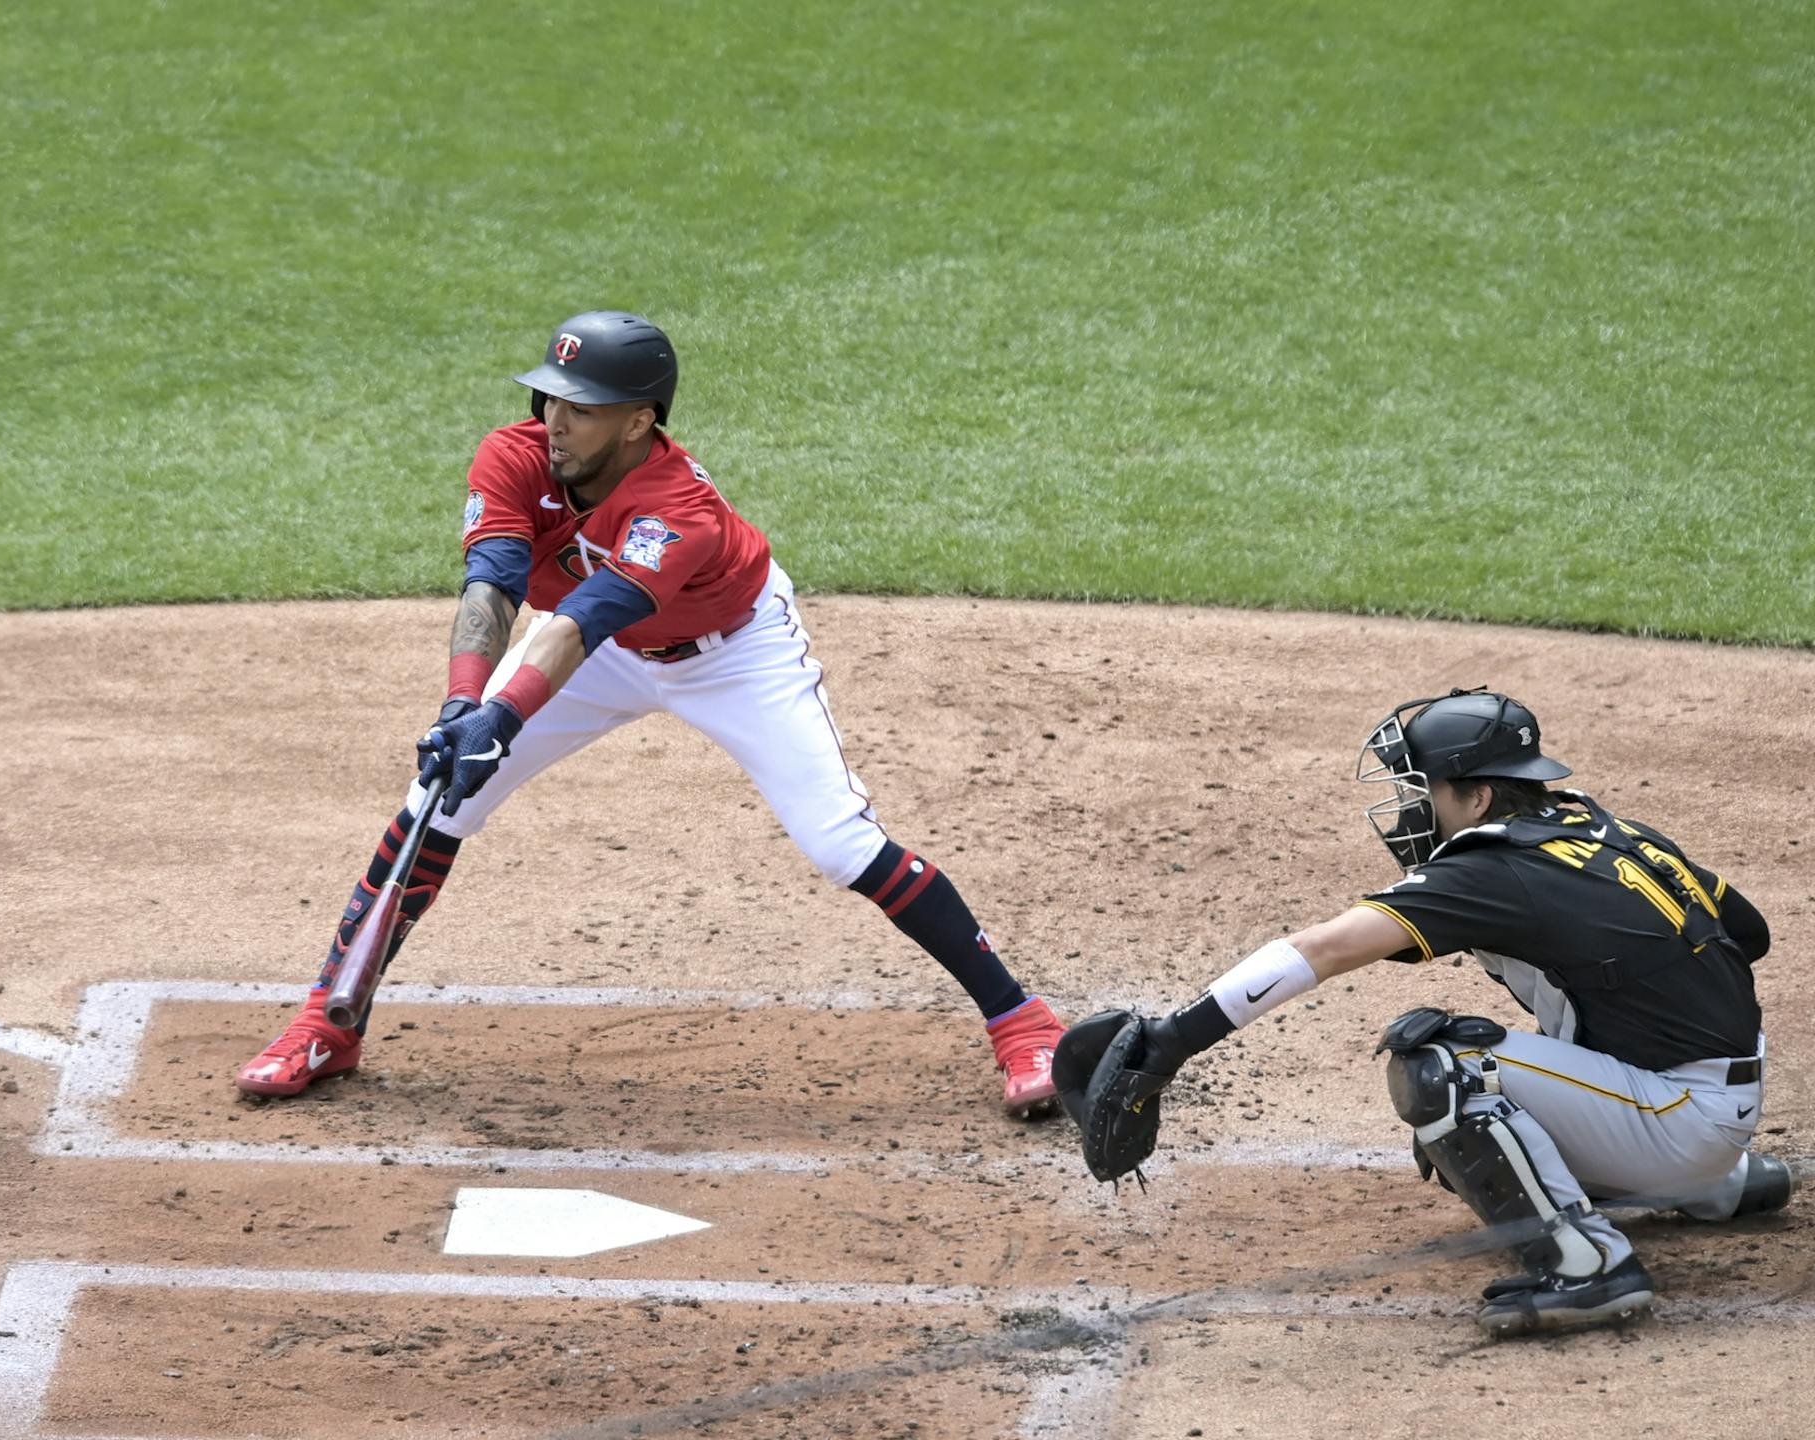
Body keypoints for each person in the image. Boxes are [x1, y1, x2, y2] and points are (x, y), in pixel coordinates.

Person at [237, 310, 1066, 1114]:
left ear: (639, 422)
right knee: (436, 800)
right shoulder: (514, 456)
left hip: (732, 655)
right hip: (598, 653)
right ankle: (327, 1024)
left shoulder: (680, 507)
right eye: (551, 398)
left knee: (840, 843)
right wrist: (464, 705)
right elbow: (491, 584)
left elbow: (587, 615)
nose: (556, 421)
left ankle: (1023, 1024)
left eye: (583, 408)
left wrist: (508, 713)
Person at [1063, 688, 1789, 1335]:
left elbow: (1323, 949)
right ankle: (1713, 1185)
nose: (1414, 807)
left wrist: (1173, 1041)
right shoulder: (1610, 832)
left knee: (1448, 1072)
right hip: (1712, 1097)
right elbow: (1746, 934)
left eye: (1426, 789)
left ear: (1475, 798)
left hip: (1682, 1120)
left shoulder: (1493, 869)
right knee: (1515, 1097)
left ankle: (1589, 1266)